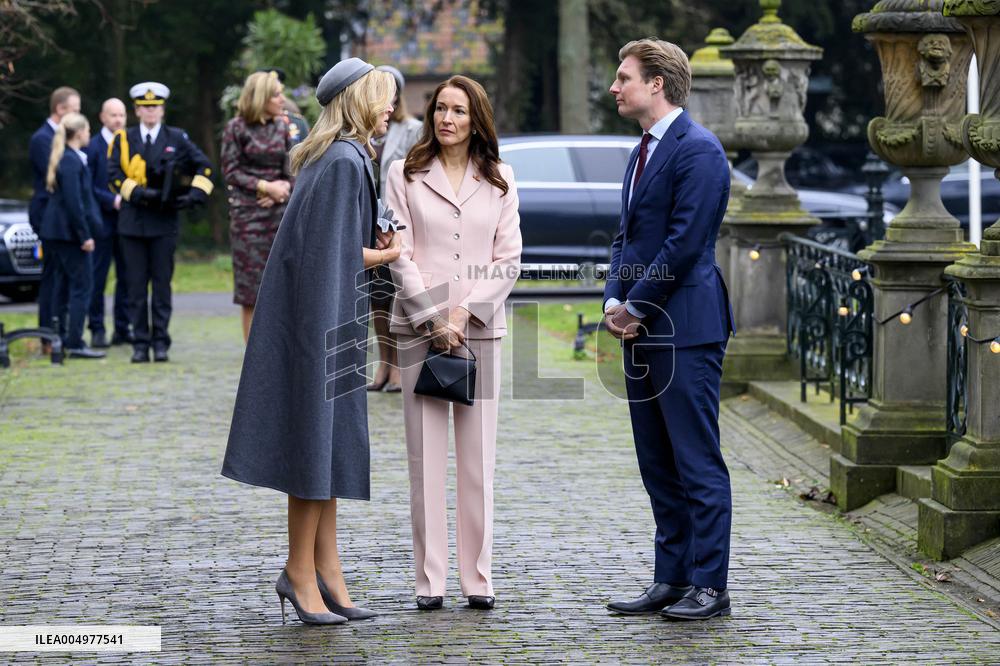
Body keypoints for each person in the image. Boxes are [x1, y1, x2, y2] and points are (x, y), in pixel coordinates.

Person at [222, 58, 399, 626]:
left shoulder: (337, 156)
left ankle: (328, 571)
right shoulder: (346, 160)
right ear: (358, 102)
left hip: (326, 318)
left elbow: (330, 248)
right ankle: (300, 572)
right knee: (313, 446)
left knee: (328, 449)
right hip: (322, 326)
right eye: (383, 96)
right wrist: (392, 254)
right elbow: (338, 256)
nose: (392, 106)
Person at [602, 39, 735, 621]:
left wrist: (636, 306)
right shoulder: (641, 152)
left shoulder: (698, 151)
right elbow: (625, 237)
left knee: (697, 461)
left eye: (623, 76)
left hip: (684, 328)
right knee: (657, 461)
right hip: (642, 328)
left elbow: (684, 246)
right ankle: (672, 577)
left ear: (657, 83)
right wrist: (612, 297)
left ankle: (711, 585)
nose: (614, 87)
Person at [387, 75, 522, 611]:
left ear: (476, 119)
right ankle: (430, 581)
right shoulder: (405, 173)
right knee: (425, 463)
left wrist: (465, 314)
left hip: (480, 332)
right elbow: (399, 252)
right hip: (419, 331)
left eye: (458, 111)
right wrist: (431, 318)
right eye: (440, 109)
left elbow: (508, 258)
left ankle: (478, 578)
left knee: (476, 461)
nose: (447, 119)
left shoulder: (502, 177)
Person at [108, 81, 214, 363]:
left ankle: (161, 342)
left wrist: (194, 196)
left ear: (162, 109)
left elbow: (204, 167)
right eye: (145, 107)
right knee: (135, 287)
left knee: (162, 285)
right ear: (137, 110)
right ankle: (140, 343)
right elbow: (113, 175)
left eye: (155, 107)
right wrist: (140, 193)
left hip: (164, 223)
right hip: (132, 222)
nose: (150, 111)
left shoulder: (177, 138)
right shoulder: (123, 139)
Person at [221, 70, 294, 342]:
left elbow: (292, 170)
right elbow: (231, 172)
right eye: (276, 94)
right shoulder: (236, 128)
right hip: (247, 219)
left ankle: (276, 352)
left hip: (279, 215)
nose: (281, 98)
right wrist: (265, 187)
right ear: (261, 97)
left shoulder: (282, 125)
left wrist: (283, 189)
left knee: (281, 289)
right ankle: (253, 357)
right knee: (251, 292)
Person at [367, 64, 423, 393]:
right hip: (368, 221)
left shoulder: (411, 128)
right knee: (377, 299)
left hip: (396, 221)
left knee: (399, 295)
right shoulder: (367, 129)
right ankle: (383, 365)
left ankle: (401, 368)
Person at [38, 112, 105, 359]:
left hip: (62, 234)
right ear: (79, 133)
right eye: (87, 130)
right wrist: (84, 236)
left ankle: (62, 338)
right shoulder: (71, 161)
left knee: (65, 286)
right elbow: (75, 203)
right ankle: (74, 341)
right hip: (68, 235)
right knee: (81, 286)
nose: (89, 134)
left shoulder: (70, 158)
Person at [29, 86, 80, 338]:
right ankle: (47, 331)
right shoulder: (42, 139)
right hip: (47, 216)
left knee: (62, 276)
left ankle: (59, 327)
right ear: (60, 110)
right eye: (74, 111)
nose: (78, 117)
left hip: (60, 216)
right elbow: (57, 177)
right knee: (51, 274)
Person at [84, 97, 132, 348]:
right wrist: (111, 200)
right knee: (98, 276)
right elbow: (87, 185)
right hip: (101, 221)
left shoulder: (129, 144)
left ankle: (123, 328)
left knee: (126, 276)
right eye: (113, 115)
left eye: (122, 115)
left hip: (125, 222)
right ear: (102, 117)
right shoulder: (92, 147)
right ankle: (97, 328)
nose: (118, 120)